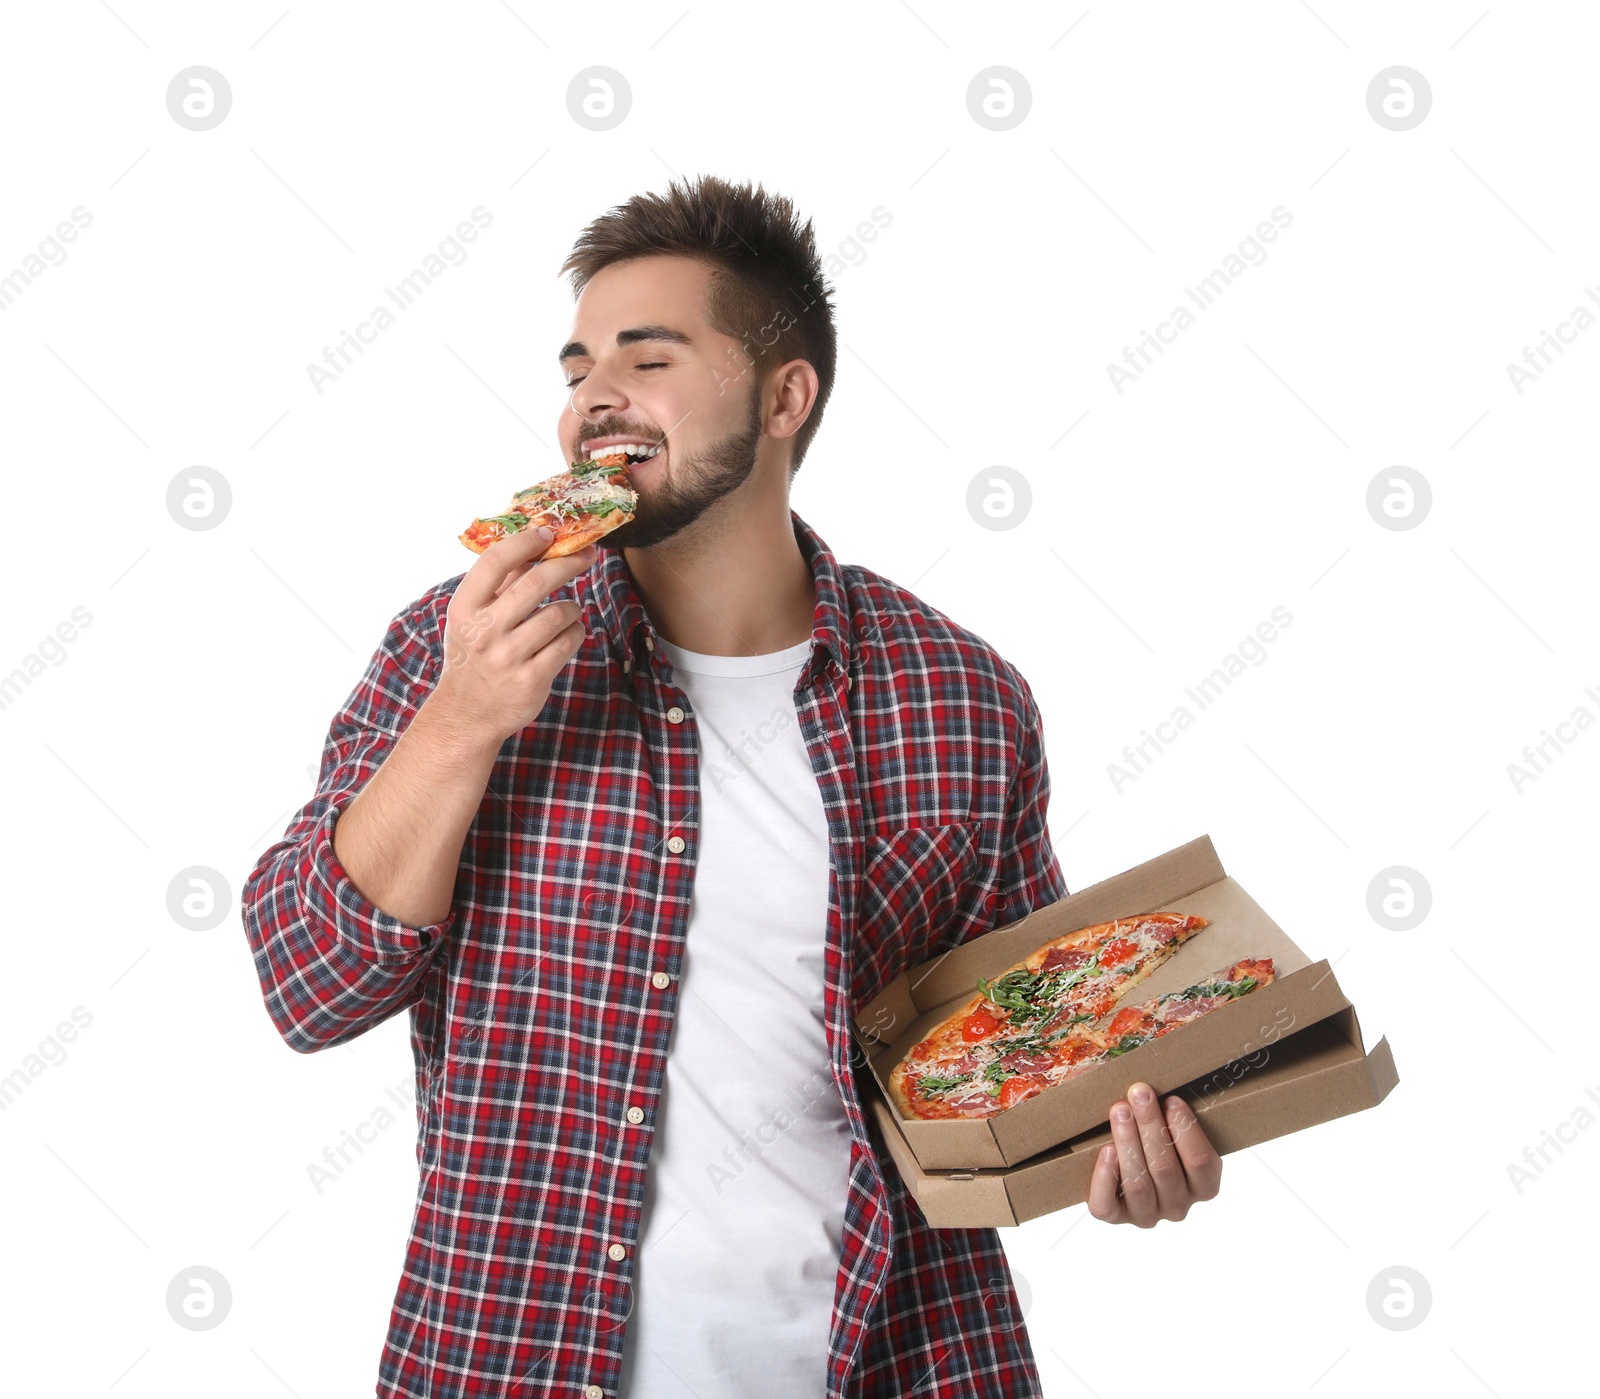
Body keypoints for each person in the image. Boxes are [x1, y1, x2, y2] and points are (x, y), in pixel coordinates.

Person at [241, 174, 1222, 1399]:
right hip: (514, 1361)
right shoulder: (455, 649)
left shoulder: (961, 695)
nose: (591, 397)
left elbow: (1016, 1059)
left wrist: (1126, 1147)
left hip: (897, 1360)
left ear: (783, 396)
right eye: (575, 366)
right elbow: (305, 986)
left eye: (646, 359)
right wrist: (461, 723)